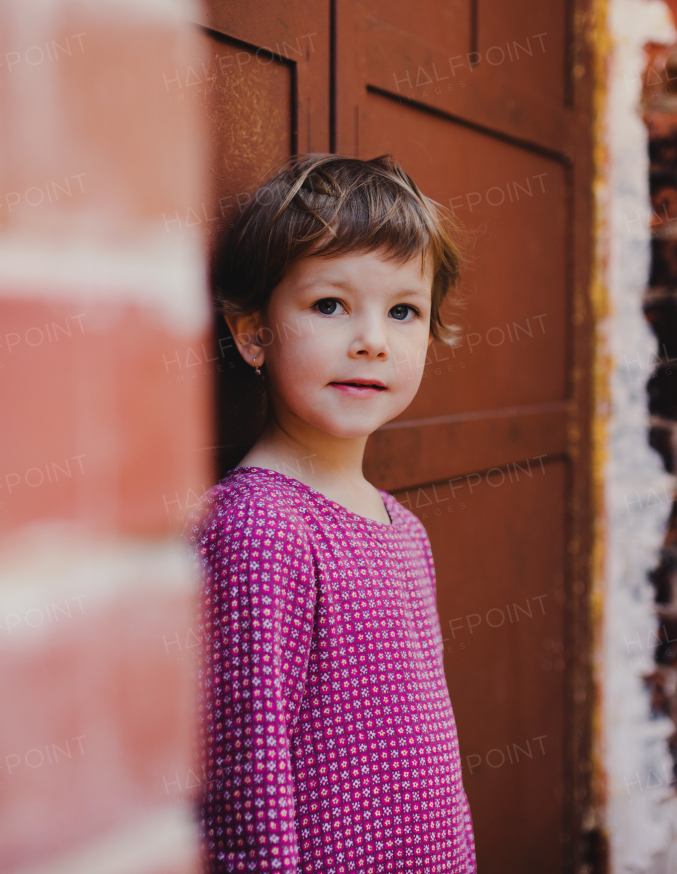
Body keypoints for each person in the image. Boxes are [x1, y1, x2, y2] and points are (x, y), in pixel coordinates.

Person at [189, 153, 476, 872]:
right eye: (329, 305)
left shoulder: (403, 528)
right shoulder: (259, 527)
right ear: (253, 332)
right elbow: (245, 782)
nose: (372, 339)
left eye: (403, 310)